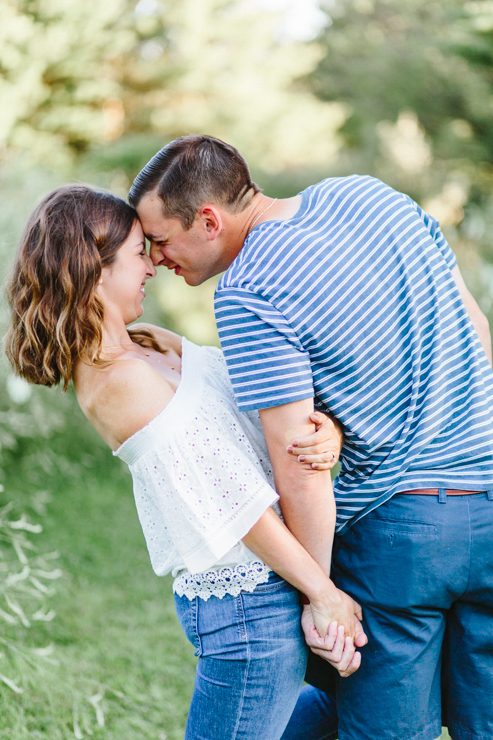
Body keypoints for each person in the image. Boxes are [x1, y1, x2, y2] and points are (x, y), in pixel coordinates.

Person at [130, 134, 493, 740]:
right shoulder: (372, 197)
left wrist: (318, 591)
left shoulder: (248, 290)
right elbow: (474, 328)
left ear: (210, 219)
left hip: (397, 540)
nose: (158, 259)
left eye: (161, 241)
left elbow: (299, 464)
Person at [4, 184, 366, 740]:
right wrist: (323, 592)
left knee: (357, 711)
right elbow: (232, 501)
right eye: (137, 252)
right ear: (94, 271)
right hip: (246, 607)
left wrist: (328, 430)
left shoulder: (147, 344)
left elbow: (267, 399)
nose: (152, 265)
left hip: (275, 582)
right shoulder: (114, 382)